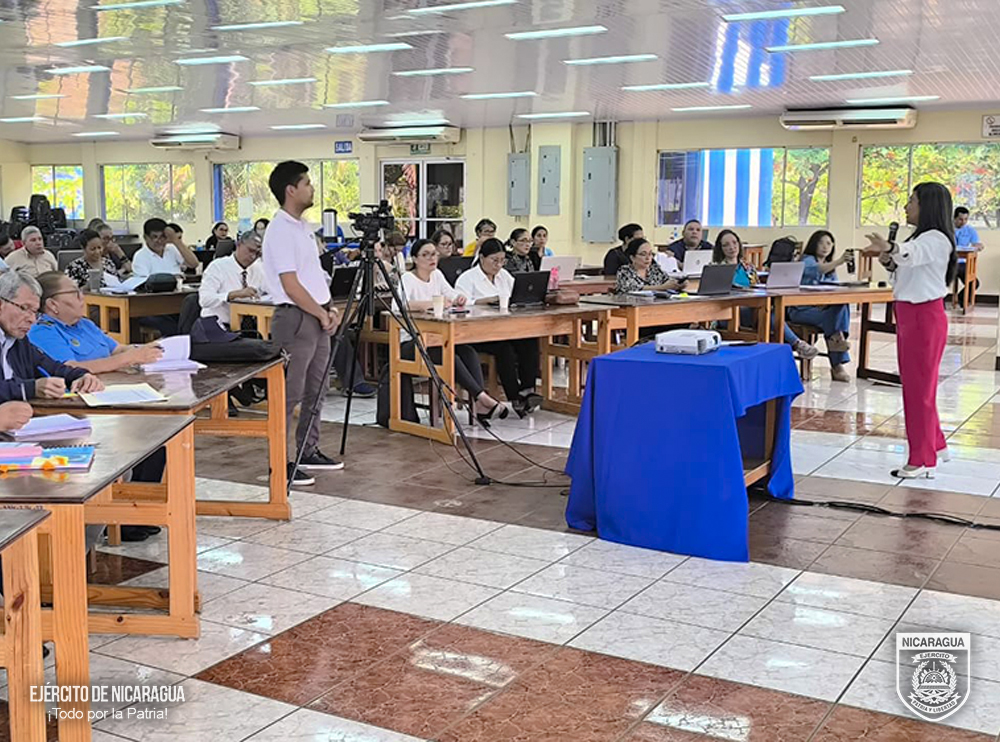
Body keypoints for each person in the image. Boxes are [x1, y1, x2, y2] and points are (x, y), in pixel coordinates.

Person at [30, 271, 165, 541]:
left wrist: (145, 349)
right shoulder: (43, 331)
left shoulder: (85, 325)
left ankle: (138, 513)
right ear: (52, 304)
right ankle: (119, 519)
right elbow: (71, 368)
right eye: (74, 293)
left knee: (156, 439)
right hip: (75, 408)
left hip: (111, 397)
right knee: (130, 444)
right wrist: (129, 359)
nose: (82, 298)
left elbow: (116, 350)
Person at [863, 182, 956, 479]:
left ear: (927, 206)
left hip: (923, 317)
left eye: (912, 201)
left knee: (919, 391)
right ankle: (936, 445)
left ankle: (922, 459)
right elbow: (908, 269)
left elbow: (912, 254)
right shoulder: (919, 236)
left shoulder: (936, 238)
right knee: (917, 387)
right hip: (909, 314)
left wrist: (891, 248)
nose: (906, 206)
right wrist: (890, 262)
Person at [263, 161, 345, 485]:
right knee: (289, 394)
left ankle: (308, 449)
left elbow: (314, 276)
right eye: (307, 183)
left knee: (317, 388)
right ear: (291, 190)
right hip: (296, 318)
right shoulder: (280, 229)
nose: (312, 188)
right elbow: (291, 284)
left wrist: (330, 307)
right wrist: (320, 313)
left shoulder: (303, 227)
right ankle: (279, 461)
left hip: (317, 314)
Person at [401, 239, 507, 424]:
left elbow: (451, 294)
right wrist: (432, 303)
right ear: (415, 259)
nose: (431, 258)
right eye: (425, 255)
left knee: (467, 352)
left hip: (437, 338)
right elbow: (401, 305)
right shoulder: (408, 278)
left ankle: (479, 404)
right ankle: (481, 397)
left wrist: (459, 298)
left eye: (434, 254)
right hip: (412, 342)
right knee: (450, 355)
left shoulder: (437, 275)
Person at [456, 239, 542, 417]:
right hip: (476, 333)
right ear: (482, 258)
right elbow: (460, 303)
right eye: (494, 260)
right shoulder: (468, 278)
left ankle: (527, 389)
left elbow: (516, 294)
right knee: (505, 349)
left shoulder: (504, 276)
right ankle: (514, 397)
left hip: (504, 329)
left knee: (529, 341)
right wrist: (484, 301)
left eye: (502, 260)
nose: (498, 265)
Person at [0, 270, 103, 402]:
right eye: (24, 308)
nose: (32, 319)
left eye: (35, 312)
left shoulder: (19, 341)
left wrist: (82, 376)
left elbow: (53, 367)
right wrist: (30, 389)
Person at [714, 229, 818, 359]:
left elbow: (756, 287)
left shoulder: (748, 267)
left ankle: (792, 347)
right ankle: (797, 344)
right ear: (720, 248)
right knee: (768, 314)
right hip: (728, 312)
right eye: (726, 245)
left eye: (734, 243)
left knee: (771, 312)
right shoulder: (716, 268)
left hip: (753, 308)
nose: (732, 247)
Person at [786, 230, 853, 382]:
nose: (825, 246)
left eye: (828, 243)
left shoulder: (830, 267)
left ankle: (837, 340)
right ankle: (837, 364)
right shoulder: (807, 260)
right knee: (832, 320)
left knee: (840, 305)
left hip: (820, 308)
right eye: (821, 243)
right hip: (801, 309)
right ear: (813, 244)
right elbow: (816, 270)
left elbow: (834, 287)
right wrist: (839, 261)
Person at [198, 230, 267, 328]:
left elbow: (269, 291)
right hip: (218, 325)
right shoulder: (218, 266)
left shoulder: (258, 269)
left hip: (248, 326)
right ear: (238, 245)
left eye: (258, 254)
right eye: (250, 251)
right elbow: (205, 300)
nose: (253, 257)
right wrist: (233, 295)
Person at [132, 218, 198, 278]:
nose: (159, 241)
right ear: (146, 237)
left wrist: (175, 240)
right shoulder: (140, 256)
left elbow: (193, 264)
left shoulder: (172, 249)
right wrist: (173, 277)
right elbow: (144, 282)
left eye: (162, 237)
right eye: (155, 237)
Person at [614, 238, 685, 293]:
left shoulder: (654, 269)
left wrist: (679, 284)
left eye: (650, 254)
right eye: (643, 254)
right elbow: (634, 288)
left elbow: (667, 280)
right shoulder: (625, 271)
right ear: (632, 257)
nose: (648, 258)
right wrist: (662, 287)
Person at [953, 206, 983, 293]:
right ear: (954, 218)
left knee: (974, 283)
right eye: (960, 219)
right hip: (948, 262)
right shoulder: (947, 228)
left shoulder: (970, 230)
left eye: (966, 219)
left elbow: (978, 245)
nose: (963, 222)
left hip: (962, 263)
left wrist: (977, 247)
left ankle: (961, 298)